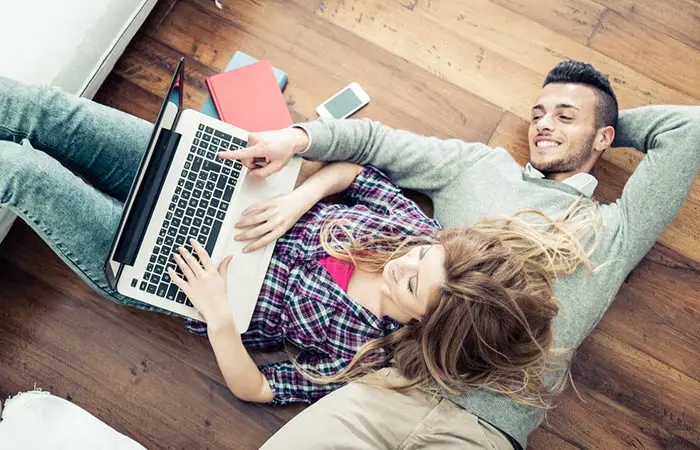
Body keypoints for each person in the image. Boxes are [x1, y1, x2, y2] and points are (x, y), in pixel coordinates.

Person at [0, 74, 588, 412]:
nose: (402, 261)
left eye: (410, 282)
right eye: (419, 255)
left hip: (175, 271)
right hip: (212, 184)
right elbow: (356, 173)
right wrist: (297, 200)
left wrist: (219, 316)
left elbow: (257, 387)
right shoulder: (415, 234)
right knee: (49, 113)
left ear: (424, 325)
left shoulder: (368, 357)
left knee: (23, 174)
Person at [222, 60, 700, 450]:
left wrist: (607, 122)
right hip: (392, 387)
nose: (544, 125)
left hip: (484, 432)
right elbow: (376, 143)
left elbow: (688, 129)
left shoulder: (613, 231)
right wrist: (298, 139)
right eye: (537, 114)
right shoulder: (479, 168)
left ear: (602, 138)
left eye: (564, 116)